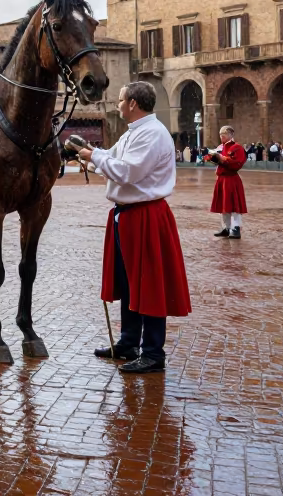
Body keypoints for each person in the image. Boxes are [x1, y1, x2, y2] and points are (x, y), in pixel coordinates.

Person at [78, 82, 191, 375]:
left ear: (132, 104)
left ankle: (153, 352)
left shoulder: (152, 134)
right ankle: (129, 342)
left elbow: (128, 172)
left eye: (119, 100)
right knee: (129, 282)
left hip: (146, 215)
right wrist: (89, 157)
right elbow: (112, 161)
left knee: (150, 283)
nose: (116, 104)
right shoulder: (134, 133)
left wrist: (95, 157)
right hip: (127, 215)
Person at [208, 126, 247, 238]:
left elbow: (237, 163)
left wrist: (222, 159)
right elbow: (217, 160)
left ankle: (235, 228)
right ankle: (227, 227)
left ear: (231, 134)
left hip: (231, 178)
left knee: (234, 205)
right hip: (222, 178)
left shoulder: (237, 147)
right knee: (224, 205)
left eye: (224, 133)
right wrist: (212, 158)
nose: (222, 136)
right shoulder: (221, 147)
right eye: (220, 134)